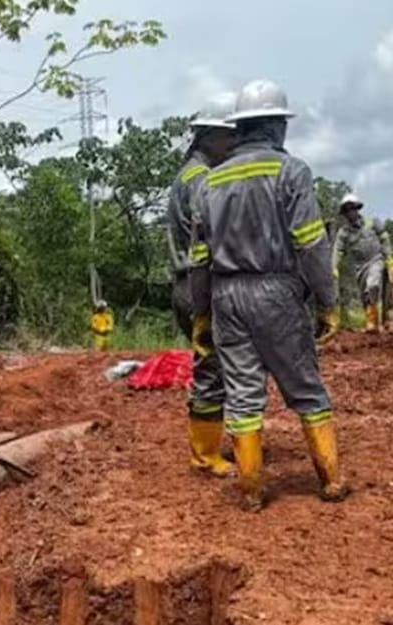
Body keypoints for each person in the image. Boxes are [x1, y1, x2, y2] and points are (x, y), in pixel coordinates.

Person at [190, 79, 347, 511]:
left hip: (226, 295)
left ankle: (252, 489)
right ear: (277, 126)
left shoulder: (210, 182)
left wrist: (202, 312)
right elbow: (311, 243)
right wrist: (328, 302)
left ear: (240, 127)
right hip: (277, 290)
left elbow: (199, 258)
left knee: (242, 393)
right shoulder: (291, 171)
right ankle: (331, 480)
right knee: (306, 388)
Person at [167, 93, 236, 477]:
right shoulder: (202, 179)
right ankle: (205, 455)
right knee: (213, 366)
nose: (234, 144)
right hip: (200, 285)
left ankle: (210, 447)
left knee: (215, 365)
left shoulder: (190, 174)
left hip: (188, 284)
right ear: (209, 136)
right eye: (229, 136)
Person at [331, 193, 393, 333]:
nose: (349, 213)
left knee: (373, 285)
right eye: (346, 210)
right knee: (365, 295)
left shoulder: (372, 222)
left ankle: (377, 322)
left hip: (376, 260)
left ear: (357, 208)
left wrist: (389, 260)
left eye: (351, 209)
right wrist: (334, 267)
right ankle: (374, 323)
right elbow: (338, 251)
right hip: (359, 267)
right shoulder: (344, 232)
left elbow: (384, 239)